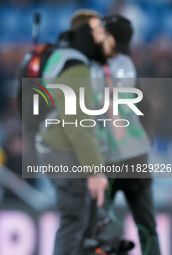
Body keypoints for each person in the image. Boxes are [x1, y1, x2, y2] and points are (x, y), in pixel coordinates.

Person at [35, 10, 109, 255]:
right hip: (66, 152)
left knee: (81, 223)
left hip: (56, 146)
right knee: (75, 222)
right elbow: (78, 122)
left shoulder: (62, 58)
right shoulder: (76, 66)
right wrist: (95, 170)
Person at [90, 14, 161, 255]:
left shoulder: (96, 67)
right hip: (135, 161)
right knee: (148, 228)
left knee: (98, 228)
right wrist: (143, 142)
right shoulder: (128, 68)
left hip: (106, 161)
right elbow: (148, 111)